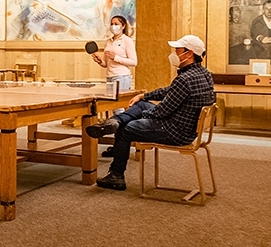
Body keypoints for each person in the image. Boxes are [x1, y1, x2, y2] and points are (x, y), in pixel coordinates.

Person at [85, 35, 215, 191]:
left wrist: (140, 115)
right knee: (141, 104)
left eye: (177, 50)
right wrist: (145, 96)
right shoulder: (204, 74)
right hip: (188, 129)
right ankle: (116, 120)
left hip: (175, 131)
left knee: (125, 129)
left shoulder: (184, 79)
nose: (173, 53)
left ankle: (116, 175)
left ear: (188, 54)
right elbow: (169, 91)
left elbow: (162, 111)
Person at [91, 15, 137, 156]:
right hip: (110, 77)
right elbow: (107, 64)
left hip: (122, 77)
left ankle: (121, 147)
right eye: (111, 23)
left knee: (120, 112)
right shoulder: (108, 42)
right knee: (115, 112)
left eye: (116, 24)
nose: (113, 26)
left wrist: (115, 57)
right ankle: (119, 146)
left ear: (123, 26)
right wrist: (100, 61)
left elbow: (134, 62)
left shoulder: (127, 41)